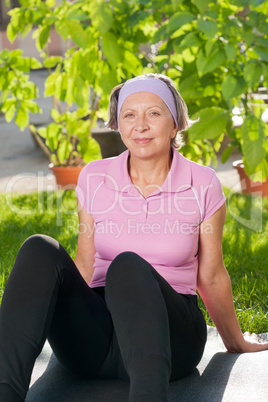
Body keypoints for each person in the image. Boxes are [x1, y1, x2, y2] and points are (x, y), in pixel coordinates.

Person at [0, 74, 267, 402]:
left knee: (127, 266)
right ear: (119, 124)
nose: (140, 125)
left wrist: (235, 341)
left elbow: (210, 274)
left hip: (172, 340)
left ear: (175, 125)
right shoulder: (94, 176)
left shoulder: (203, 182)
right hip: (96, 344)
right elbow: (85, 261)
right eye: (129, 115)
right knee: (39, 247)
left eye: (154, 113)